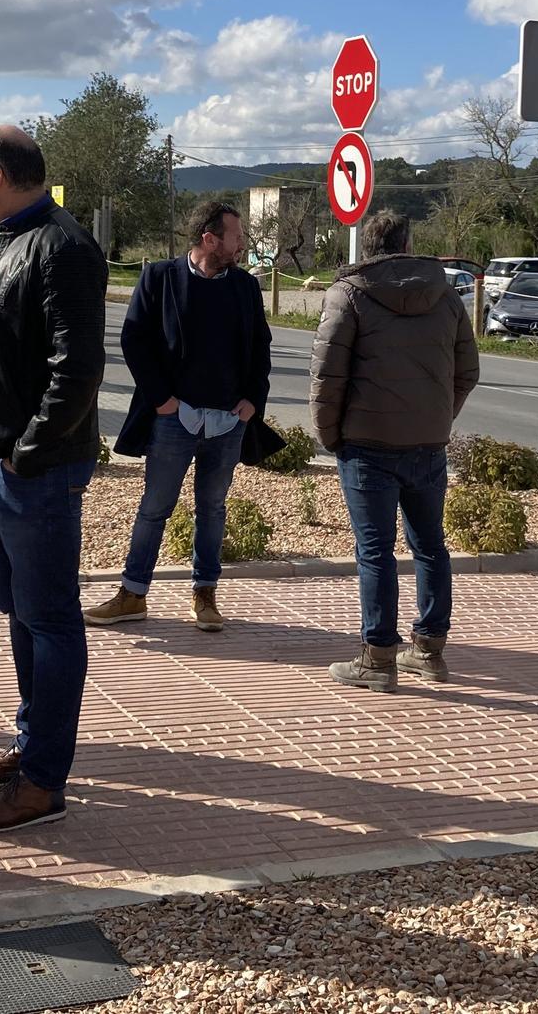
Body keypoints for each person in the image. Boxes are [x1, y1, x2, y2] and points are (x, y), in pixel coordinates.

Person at [0, 126, 106, 834]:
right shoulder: (5, 237)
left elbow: (79, 367)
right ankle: (29, 743)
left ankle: (43, 783)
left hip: (30, 468)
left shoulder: (61, 246)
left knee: (49, 617)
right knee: (21, 609)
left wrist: (28, 451)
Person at [85, 199, 284, 633]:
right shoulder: (159, 278)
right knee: (154, 508)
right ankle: (132, 594)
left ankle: (205, 596)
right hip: (174, 419)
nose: (241, 244)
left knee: (212, 509)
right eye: (236, 236)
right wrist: (161, 400)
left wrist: (254, 401)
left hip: (228, 423)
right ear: (209, 239)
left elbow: (261, 349)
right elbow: (134, 339)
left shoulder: (245, 288)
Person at [310, 210, 479, 694]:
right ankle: (429, 650)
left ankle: (377, 657)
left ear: (368, 246)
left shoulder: (348, 295)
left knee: (376, 552)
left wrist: (331, 436)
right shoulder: (446, 296)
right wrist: (438, 417)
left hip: (367, 447)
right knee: (430, 546)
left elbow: (327, 377)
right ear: (408, 243)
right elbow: (467, 371)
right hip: (428, 445)